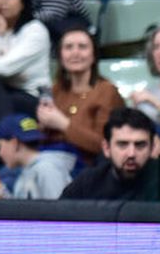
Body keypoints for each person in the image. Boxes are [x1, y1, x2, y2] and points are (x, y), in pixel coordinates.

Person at [35, 25, 122, 169]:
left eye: (82, 47)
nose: (75, 53)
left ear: (93, 55)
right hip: (48, 157)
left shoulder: (106, 91)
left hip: (86, 166)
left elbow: (105, 145)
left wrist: (63, 124)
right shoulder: (56, 89)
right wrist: (43, 126)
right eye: (68, 47)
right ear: (61, 56)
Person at [60, 108, 158, 201]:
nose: (131, 154)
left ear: (152, 148)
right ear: (106, 148)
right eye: (122, 144)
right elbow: (59, 215)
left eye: (140, 145)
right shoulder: (87, 183)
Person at [0, 115, 70, 201]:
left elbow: (60, 210)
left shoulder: (47, 169)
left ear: (14, 143)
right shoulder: (29, 170)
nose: (0, 154)